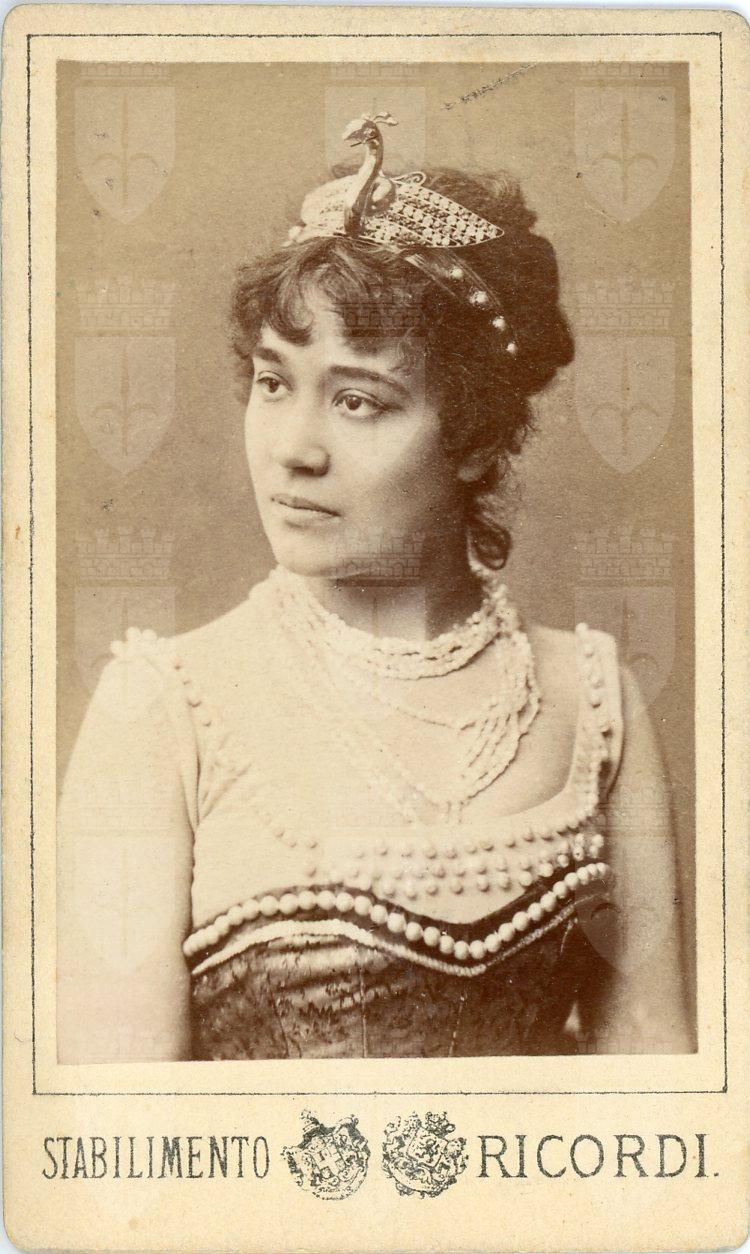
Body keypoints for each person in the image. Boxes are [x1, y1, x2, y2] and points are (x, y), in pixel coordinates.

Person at [58, 112, 691, 1061]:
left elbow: (654, 1083)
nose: (293, 450)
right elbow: (125, 1129)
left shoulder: (595, 703)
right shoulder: (163, 708)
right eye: (274, 382)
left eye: (358, 400)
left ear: (477, 437)